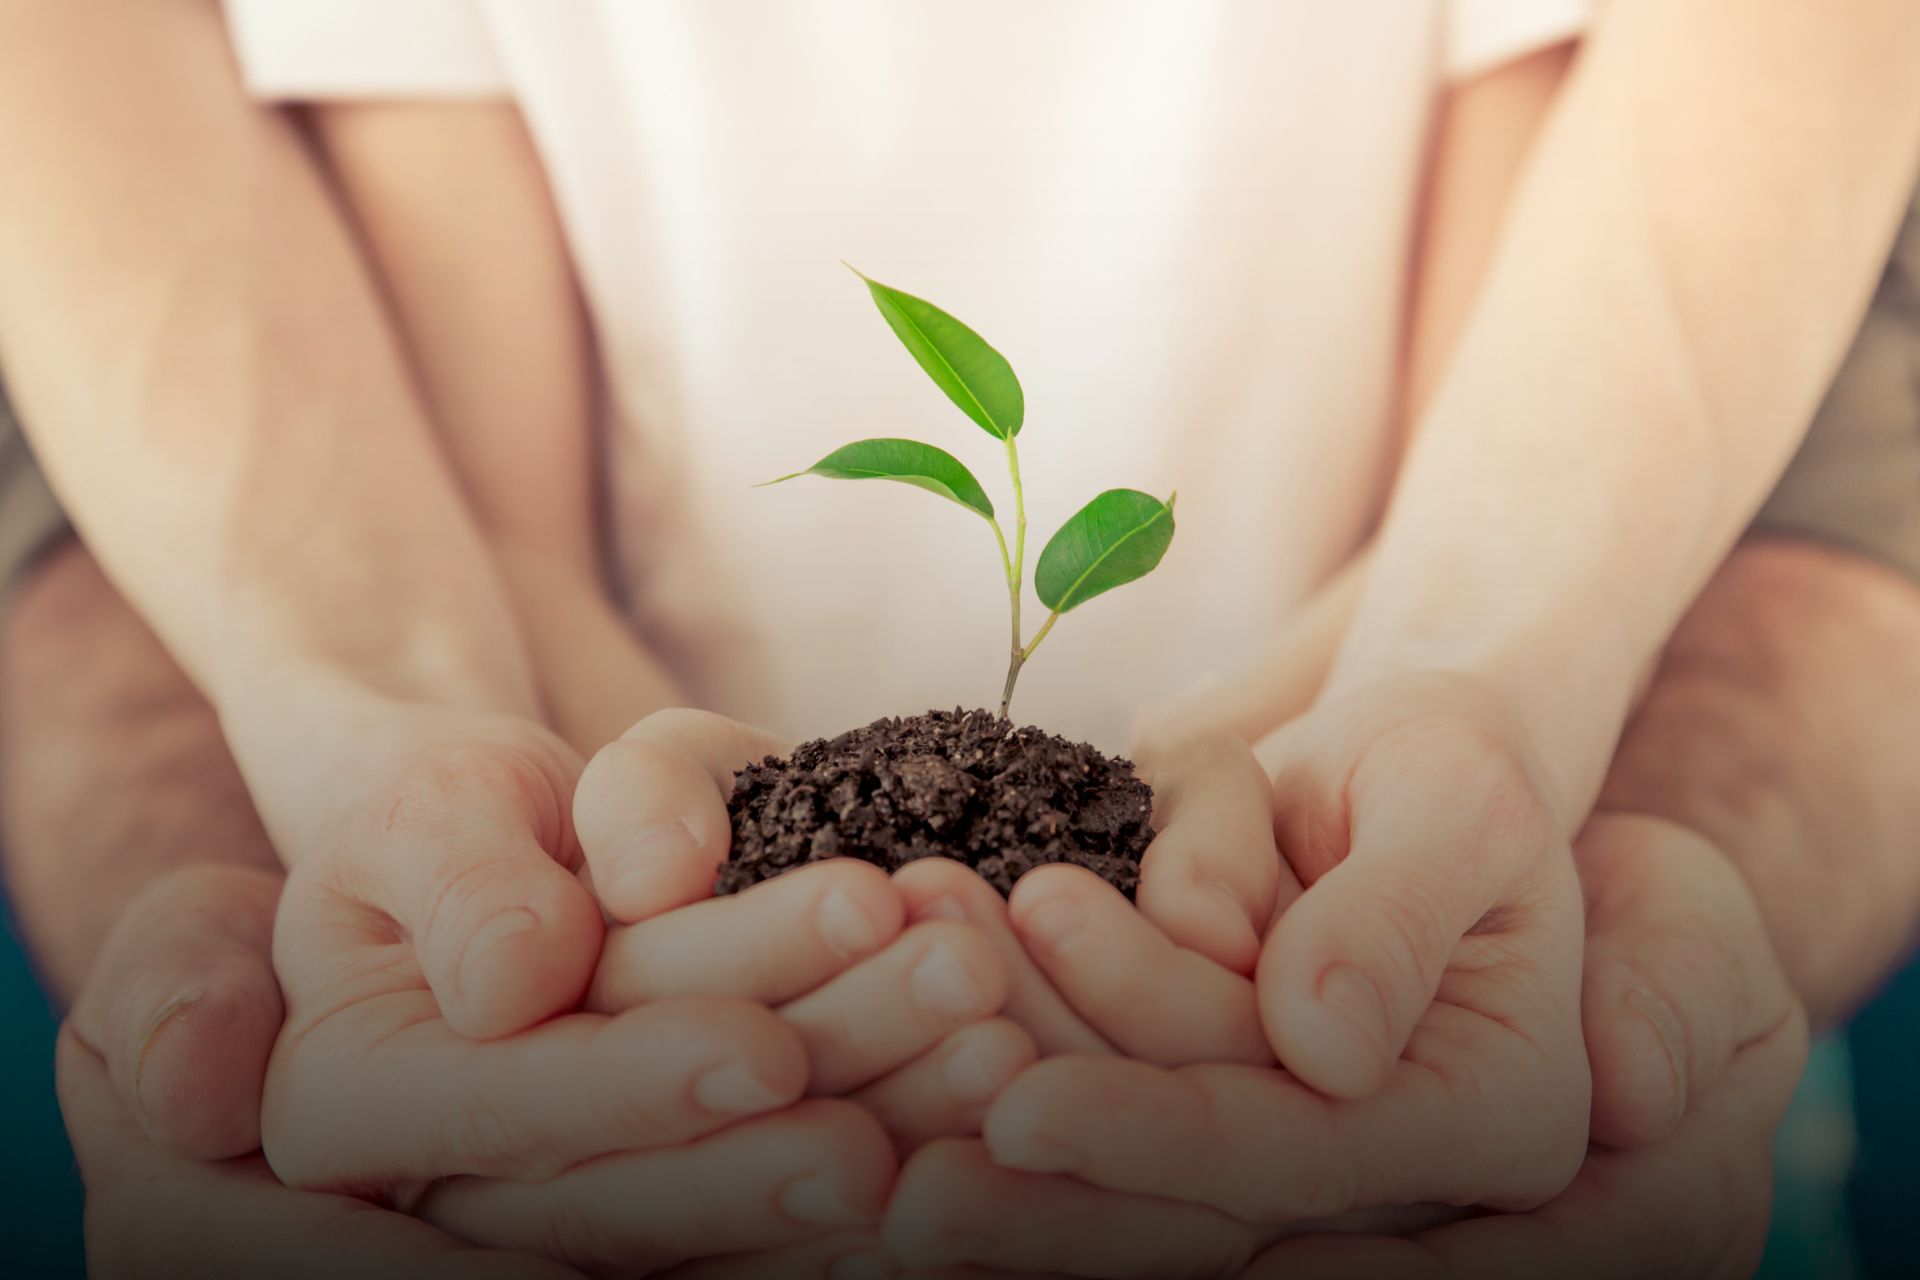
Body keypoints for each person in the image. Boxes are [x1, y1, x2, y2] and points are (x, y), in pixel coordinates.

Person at [4, 0, 1920, 1274]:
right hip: (618, 895)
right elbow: (483, 511)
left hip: (1431, 919)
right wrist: (452, 800)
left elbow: (1529, 415)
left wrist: (1479, 685)